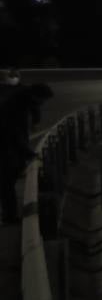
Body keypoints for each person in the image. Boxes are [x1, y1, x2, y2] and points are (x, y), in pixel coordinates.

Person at [1, 69, 51, 224]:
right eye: (43, 100)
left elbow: (34, 110)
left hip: (11, 139)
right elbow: (13, 134)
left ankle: (9, 214)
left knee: (11, 174)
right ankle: (9, 217)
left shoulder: (26, 96)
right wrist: (28, 153)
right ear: (37, 96)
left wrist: (35, 120)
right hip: (5, 140)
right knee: (7, 181)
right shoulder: (15, 106)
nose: (42, 104)